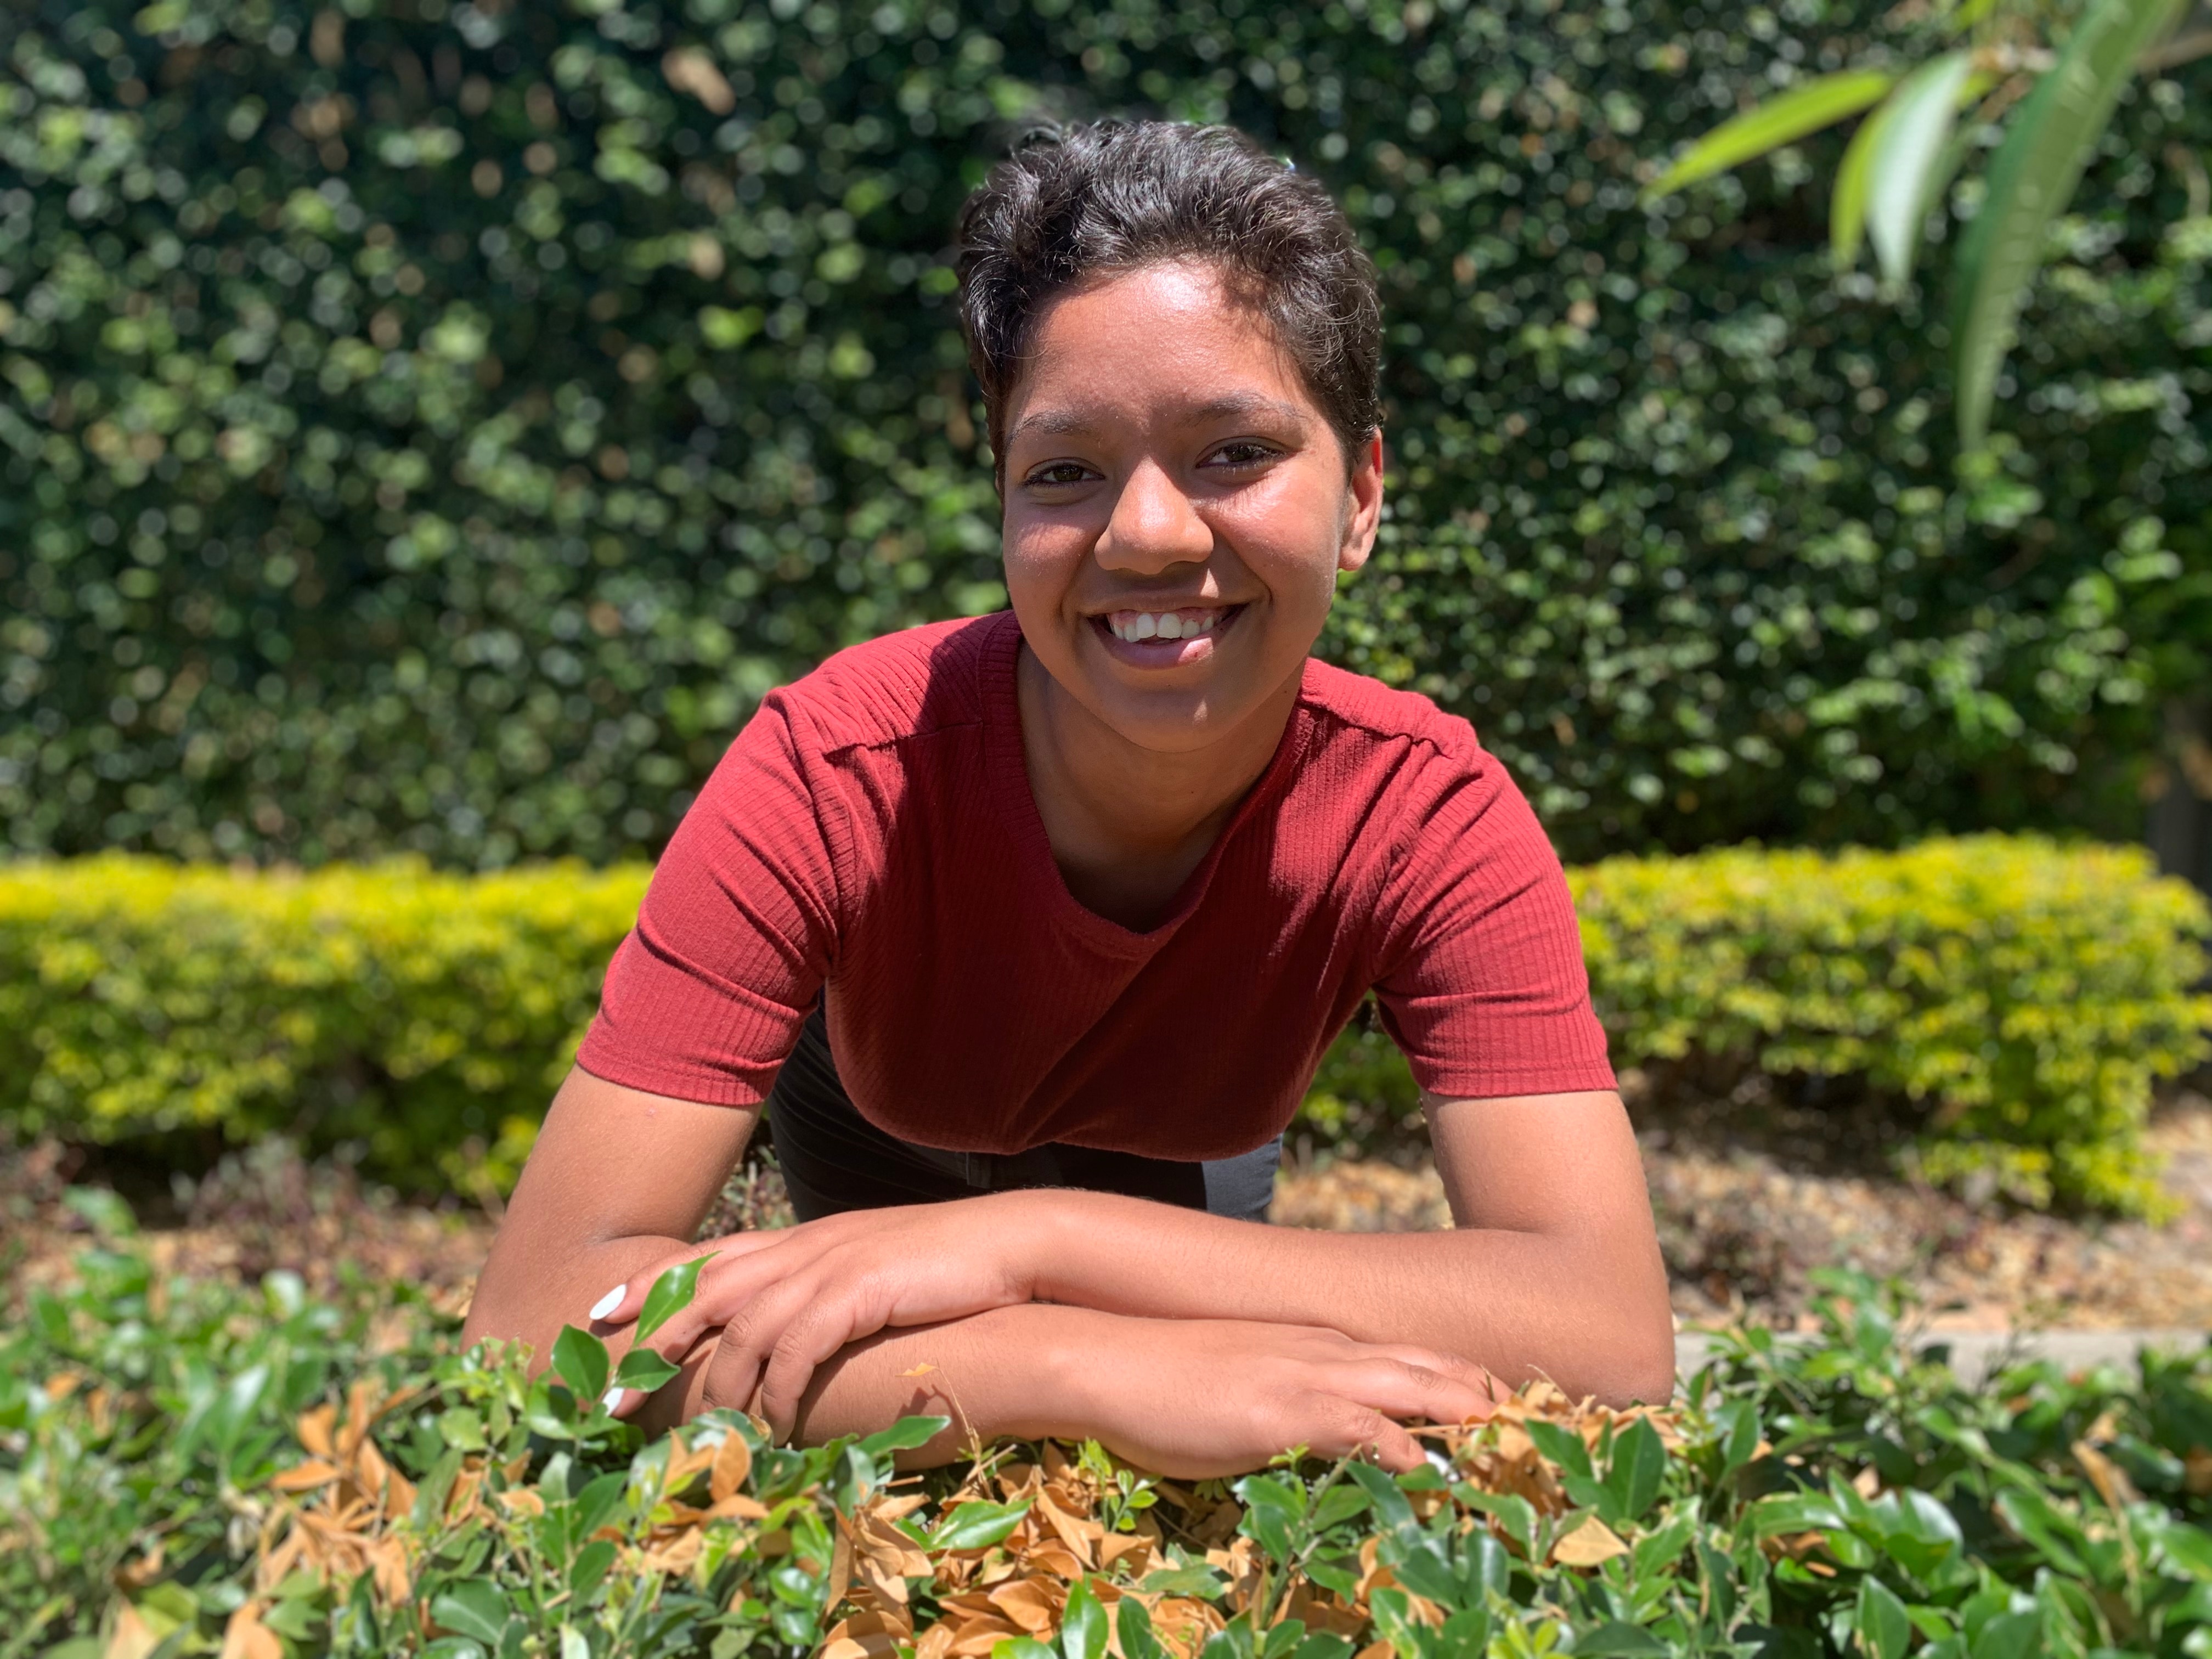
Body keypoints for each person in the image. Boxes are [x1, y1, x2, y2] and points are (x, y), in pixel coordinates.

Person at [463, 120, 1672, 1479]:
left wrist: (1035, 1245)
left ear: (1361, 499)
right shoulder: (835, 768)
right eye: (1063, 472)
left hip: (1173, 1165)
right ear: (1001, 503)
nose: (1147, 534)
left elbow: (1608, 1330)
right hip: (879, 1128)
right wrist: (1067, 1366)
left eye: (1234, 452)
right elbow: (528, 1329)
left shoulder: (1425, 815)